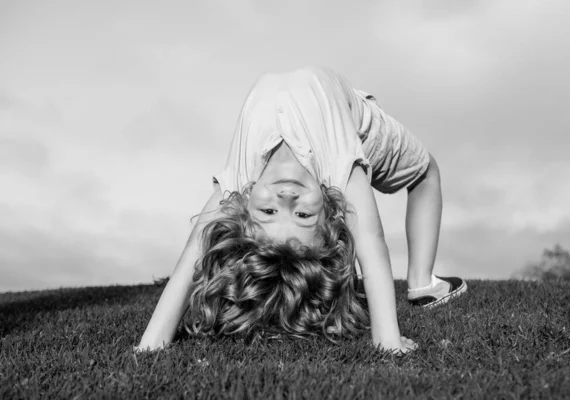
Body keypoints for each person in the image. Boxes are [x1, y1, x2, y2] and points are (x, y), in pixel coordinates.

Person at [136, 67, 466, 354]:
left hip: (339, 99)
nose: (286, 198)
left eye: (267, 211)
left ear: (243, 206)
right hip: (357, 122)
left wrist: (153, 339)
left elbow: (194, 249)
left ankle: (422, 280)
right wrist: (387, 338)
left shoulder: (239, 178)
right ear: (333, 215)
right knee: (427, 173)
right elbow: (370, 240)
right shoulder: (339, 169)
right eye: (303, 216)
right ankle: (422, 284)